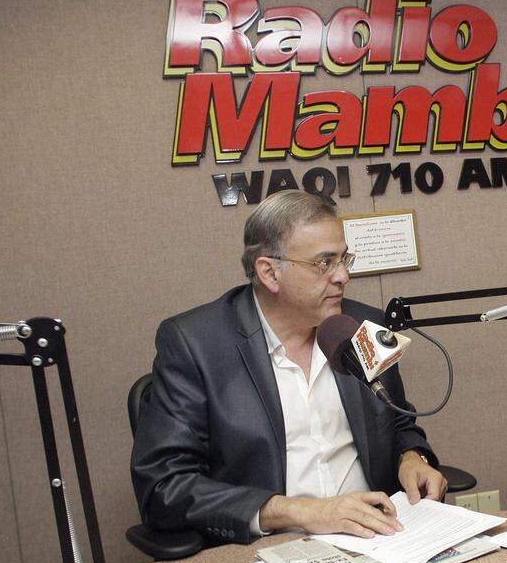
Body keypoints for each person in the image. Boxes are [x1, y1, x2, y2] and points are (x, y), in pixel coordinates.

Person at [132, 190, 446, 543]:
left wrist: (411, 458)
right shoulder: (196, 344)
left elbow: (398, 421)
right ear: (269, 273)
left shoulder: (361, 325)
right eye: (324, 263)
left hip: (378, 537)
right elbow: (164, 486)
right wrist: (298, 511)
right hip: (267, 546)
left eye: (344, 259)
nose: (343, 276)